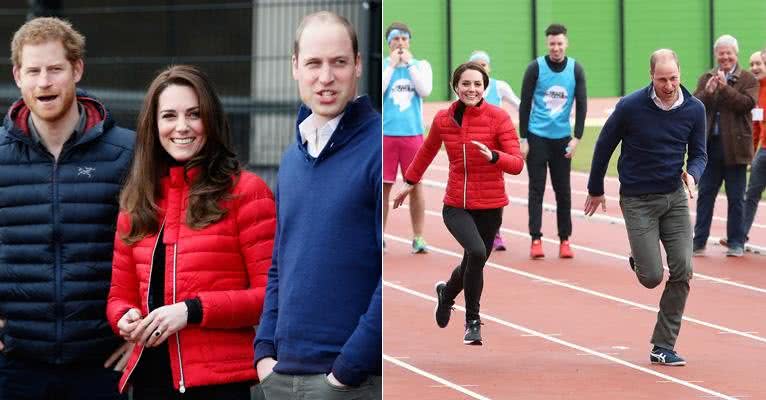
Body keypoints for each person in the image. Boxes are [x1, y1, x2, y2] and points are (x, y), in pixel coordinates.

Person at [106, 65, 276, 399]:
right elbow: (118, 295)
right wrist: (123, 317)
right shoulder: (137, 200)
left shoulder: (247, 192)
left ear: (210, 120)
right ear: (154, 126)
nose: (181, 127)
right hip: (149, 382)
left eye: (194, 114)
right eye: (169, 116)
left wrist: (190, 311)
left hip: (220, 384)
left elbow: (269, 297)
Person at [0, 17, 135, 399]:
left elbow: (155, 245)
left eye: (55, 69)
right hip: (16, 364)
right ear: (18, 76)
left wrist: (139, 335)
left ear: (76, 69)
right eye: (34, 71)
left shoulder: (127, 152)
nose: (44, 81)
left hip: (102, 363)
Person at [254, 11, 381, 400]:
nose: (325, 77)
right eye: (313, 63)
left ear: (357, 65)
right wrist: (264, 352)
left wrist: (346, 370)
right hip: (281, 377)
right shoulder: (293, 157)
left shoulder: (379, 148)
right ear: (295, 67)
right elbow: (280, 262)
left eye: (338, 62)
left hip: (349, 383)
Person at [585, 49, 706, 366]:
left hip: (674, 196)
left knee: (683, 269)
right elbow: (604, 145)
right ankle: (641, 260)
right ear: (651, 75)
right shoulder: (630, 107)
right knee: (651, 276)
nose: (669, 85)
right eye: (662, 79)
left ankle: (663, 345)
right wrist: (595, 188)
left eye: (674, 78)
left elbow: (700, 154)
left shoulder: (694, 110)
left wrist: (692, 175)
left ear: (681, 73)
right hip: (638, 199)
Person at [393, 62, 524, 345]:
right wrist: (408, 182)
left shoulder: (498, 118)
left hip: (490, 205)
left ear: (485, 87)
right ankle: (472, 321)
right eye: (466, 83)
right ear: (456, 86)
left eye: (477, 84)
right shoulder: (443, 119)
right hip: (457, 204)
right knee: (476, 252)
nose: (472, 89)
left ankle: (447, 293)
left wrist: (493, 156)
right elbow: (426, 151)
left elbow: (516, 164)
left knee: (473, 260)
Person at [519, 23, 587, 260]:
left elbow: (582, 104)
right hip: (537, 137)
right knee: (536, 189)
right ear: (547, 44)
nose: (556, 48)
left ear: (566, 43)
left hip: (562, 140)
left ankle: (564, 240)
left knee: (563, 192)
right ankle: (536, 238)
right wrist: (524, 138)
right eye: (552, 44)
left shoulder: (575, 69)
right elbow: (525, 104)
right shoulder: (535, 68)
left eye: (559, 43)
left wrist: (577, 138)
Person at [692, 34, 758, 257]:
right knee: (706, 195)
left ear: (736, 54)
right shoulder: (706, 77)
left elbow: (746, 104)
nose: (725, 57)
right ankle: (698, 241)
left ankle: (736, 242)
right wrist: (709, 91)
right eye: (721, 53)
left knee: (736, 198)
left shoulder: (748, 79)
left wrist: (725, 88)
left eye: (729, 52)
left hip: (736, 148)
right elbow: (694, 105)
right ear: (716, 55)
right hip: (710, 146)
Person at [382, 21, 432, 253]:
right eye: (395, 39)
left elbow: (425, 90)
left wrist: (409, 64)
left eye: (404, 39)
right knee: (384, 187)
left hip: (413, 135)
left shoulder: (421, 65)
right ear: (388, 43)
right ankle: (379, 236)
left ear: (409, 42)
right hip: (386, 136)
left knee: (416, 186)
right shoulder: (384, 66)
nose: (400, 43)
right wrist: (391, 67)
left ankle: (418, 237)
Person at [469, 50, 521, 251]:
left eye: (484, 65)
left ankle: (495, 232)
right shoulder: (466, 88)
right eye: (476, 65)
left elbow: (519, 105)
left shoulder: (499, 86)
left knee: (495, 191)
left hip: (494, 149)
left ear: (489, 67)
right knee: (473, 189)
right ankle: (475, 232)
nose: (481, 68)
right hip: (472, 146)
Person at [720, 49, 766, 251]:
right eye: (752, 64)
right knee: (751, 194)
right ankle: (739, 236)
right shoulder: (755, 90)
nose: (754, 68)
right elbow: (755, 125)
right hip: (763, 152)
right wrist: (752, 153)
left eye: (759, 64)